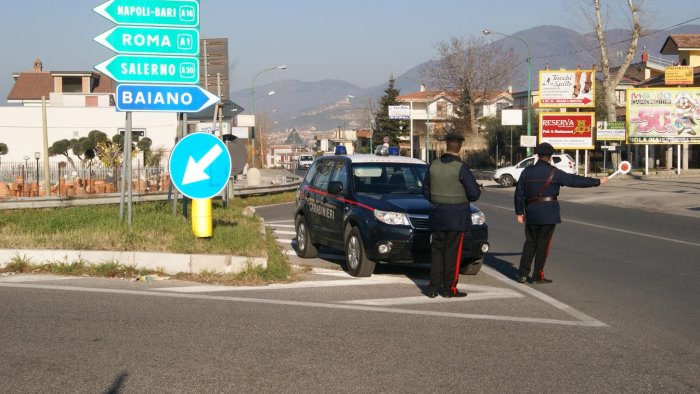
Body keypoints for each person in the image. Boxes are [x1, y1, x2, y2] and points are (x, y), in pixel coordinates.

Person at [514, 142, 608, 284]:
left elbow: (519, 193)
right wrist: (597, 181)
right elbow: (575, 180)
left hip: (531, 212)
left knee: (530, 243)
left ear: (538, 156)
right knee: (543, 245)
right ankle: (537, 275)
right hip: (549, 213)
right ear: (550, 157)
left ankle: (522, 274)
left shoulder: (527, 171)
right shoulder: (554, 172)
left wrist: (519, 211)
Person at [422, 132, 481, 298]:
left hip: (436, 215)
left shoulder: (433, 165)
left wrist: (438, 202)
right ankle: (449, 289)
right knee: (452, 254)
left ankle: (433, 288)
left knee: (437, 252)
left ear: (446, 145)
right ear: (460, 147)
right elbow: (474, 194)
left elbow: (425, 191)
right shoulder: (461, 168)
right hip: (457, 217)